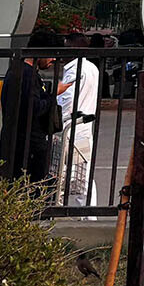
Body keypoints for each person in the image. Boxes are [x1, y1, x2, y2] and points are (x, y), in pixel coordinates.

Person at [0, 31, 59, 183]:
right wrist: (52, 96)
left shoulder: (20, 70)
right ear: (41, 52)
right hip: (27, 145)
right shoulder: (26, 74)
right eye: (51, 55)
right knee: (31, 186)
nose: (53, 60)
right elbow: (33, 107)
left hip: (21, 141)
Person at [55, 32, 100, 208]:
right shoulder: (91, 68)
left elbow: (66, 101)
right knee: (84, 174)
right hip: (84, 126)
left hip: (70, 127)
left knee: (65, 172)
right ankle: (88, 212)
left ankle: (58, 207)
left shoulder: (75, 70)